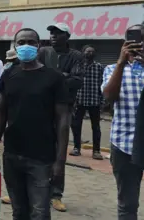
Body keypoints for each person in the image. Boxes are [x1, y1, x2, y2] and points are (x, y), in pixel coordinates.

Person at [0, 28, 70, 220]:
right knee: (19, 211)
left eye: (31, 42)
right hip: (12, 155)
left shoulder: (54, 78)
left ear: (39, 45)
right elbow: (1, 114)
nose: (26, 46)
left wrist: (60, 162)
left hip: (42, 158)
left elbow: (63, 121)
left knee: (40, 213)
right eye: (21, 42)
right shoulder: (8, 75)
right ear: (15, 46)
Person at [102, 25, 144, 219]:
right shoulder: (112, 69)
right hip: (124, 145)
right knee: (127, 204)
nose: (141, 44)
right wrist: (121, 63)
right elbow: (109, 98)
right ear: (125, 43)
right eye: (136, 39)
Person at [46, 22, 84, 212]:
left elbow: (77, 81)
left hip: (64, 108)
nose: (53, 35)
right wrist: (62, 76)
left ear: (67, 37)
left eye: (58, 33)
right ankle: (34, 189)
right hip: (42, 107)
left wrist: (54, 78)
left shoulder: (76, 56)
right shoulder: (44, 52)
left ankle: (56, 195)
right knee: (38, 149)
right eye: (52, 32)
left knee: (59, 150)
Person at [71, 45, 105, 160]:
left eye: (92, 51)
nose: (90, 53)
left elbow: (103, 84)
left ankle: (96, 151)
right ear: (83, 52)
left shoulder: (99, 67)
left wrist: (102, 100)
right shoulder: (77, 67)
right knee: (76, 126)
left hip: (94, 101)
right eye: (88, 51)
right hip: (79, 100)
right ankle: (76, 148)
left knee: (96, 127)